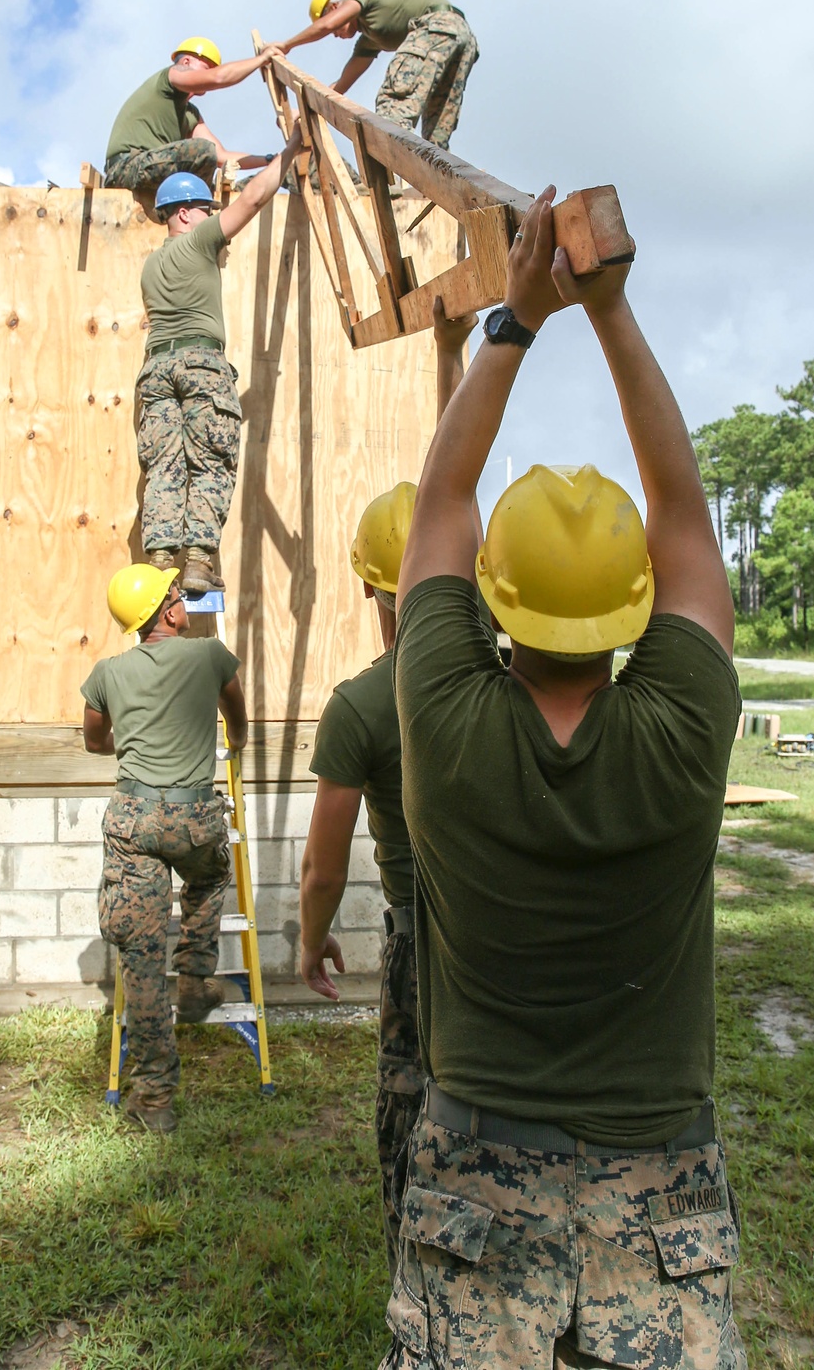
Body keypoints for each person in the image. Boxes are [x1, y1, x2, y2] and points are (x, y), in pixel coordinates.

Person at [380, 189, 745, 1367]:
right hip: (664, 1191)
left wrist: (517, 320)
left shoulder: (437, 715)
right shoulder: (685, 726)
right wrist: (613, 314)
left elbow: (437, 502)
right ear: (637, 603)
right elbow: (686, 516)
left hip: (475, 1178)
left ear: (493, 593)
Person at [299, 303, 477, 1281]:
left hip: (419, 935)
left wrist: (306, 931)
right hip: (504, 931)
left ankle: (422, 1272)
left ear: (373, 589)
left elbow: (325, 861)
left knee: (411, 1103)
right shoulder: (512, 680)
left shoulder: (360, 706)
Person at [82, 563, 248, 1133]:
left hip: (133, 819)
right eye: (178, 595)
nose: (184, 602)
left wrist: (131, 737)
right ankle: (198, 973)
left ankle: (154, 1100)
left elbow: (95, 740)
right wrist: (239, 737)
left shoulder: (107, 672)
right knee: (209, 872)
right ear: (170, 612)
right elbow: (236, 714)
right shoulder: (208, 656)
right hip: (195, 815)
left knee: (141, 962)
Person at [137, 121, 303, 594]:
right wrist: (289, 151)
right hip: (200, 365)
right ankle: (196, 562)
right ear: (186, 214)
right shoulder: (199, 239)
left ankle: (160, 562)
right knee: (210, 462)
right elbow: (252, 200)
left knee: (165, 466)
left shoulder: (151, 266)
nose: (213, 219)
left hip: (155, 371)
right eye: (206, 210)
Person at [278, 0, 478, 150]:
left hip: (437, 25)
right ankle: (439, 182)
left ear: (334, 8)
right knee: (436, 127)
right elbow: (340, 87)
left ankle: (392, 175)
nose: (335, 34)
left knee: (393, 106)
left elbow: (325, 26)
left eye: (331, 21)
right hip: (462, 37)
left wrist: (286, 45)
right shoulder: (369, 40)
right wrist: (304, 111)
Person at [104, 36, 284, 217]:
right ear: (186, 61)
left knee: (221, 171)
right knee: (202, 151)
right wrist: (261, 60)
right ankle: (201, 216)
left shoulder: (190, 114)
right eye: (207, 67)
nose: (211, 72)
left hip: (155, 171)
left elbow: (221, 156)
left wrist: (271, 160)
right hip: (126, 167)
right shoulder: (171, 75)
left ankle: (203, 213)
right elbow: (219, 78)